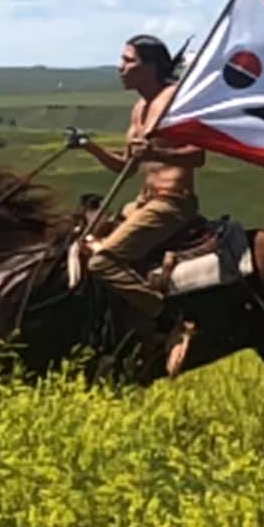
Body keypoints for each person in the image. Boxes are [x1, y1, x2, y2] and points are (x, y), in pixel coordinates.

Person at [72, 34, 205, 376]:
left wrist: (157, 152)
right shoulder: (138, 109)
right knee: (80, 241)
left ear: (151, 66)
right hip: (143, 202)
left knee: (103, 261)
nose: (121, 67)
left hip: (172, 202)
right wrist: (89, 146)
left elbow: (198, 155)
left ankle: (169, 319)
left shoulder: (174, 99)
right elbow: (126, 167)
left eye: (128, 60)